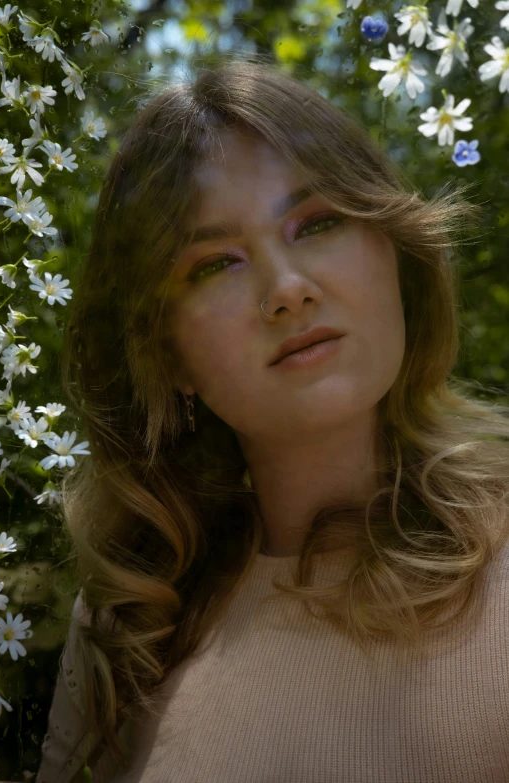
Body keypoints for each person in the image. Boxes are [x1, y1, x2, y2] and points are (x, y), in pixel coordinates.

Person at [30, 55, 509, 783]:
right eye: (215, 264)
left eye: (316, 222)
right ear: (169, 354)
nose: (287, 290)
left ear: (396, 255)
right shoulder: (132, 618)